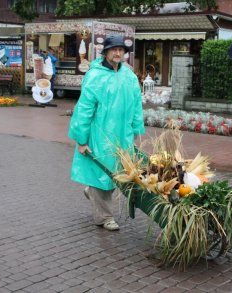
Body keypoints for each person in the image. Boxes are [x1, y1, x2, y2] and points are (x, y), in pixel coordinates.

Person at [68, 34, 145, 231]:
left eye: (121, 50)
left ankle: (91, 192)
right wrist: (81, 139)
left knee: (117, 173)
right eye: (114, 50)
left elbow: (137, 105)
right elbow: (84, 110)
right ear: (106, 52)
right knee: (102, 172)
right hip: (100, 134)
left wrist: (136, 130)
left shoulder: (129, 76)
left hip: (122, 134)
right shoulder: (95, 76)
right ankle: (104, 217)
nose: (118, 53)